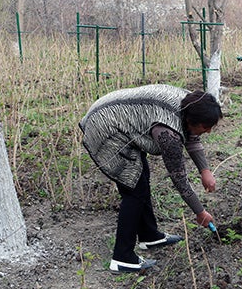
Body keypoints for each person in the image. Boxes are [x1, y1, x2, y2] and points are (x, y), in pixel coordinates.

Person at [79, 85, 223, 273]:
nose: (209, 131)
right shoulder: (168, 133)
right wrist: (200, 212)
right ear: (192, 120)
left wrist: (204, 169)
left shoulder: (191, 103)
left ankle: (149, 235)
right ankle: (122, 258)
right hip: (106, 128)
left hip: (119, 118)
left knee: (141, 177)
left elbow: (191, 134)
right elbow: (179, 179)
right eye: (206, 127)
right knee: (134, 192)